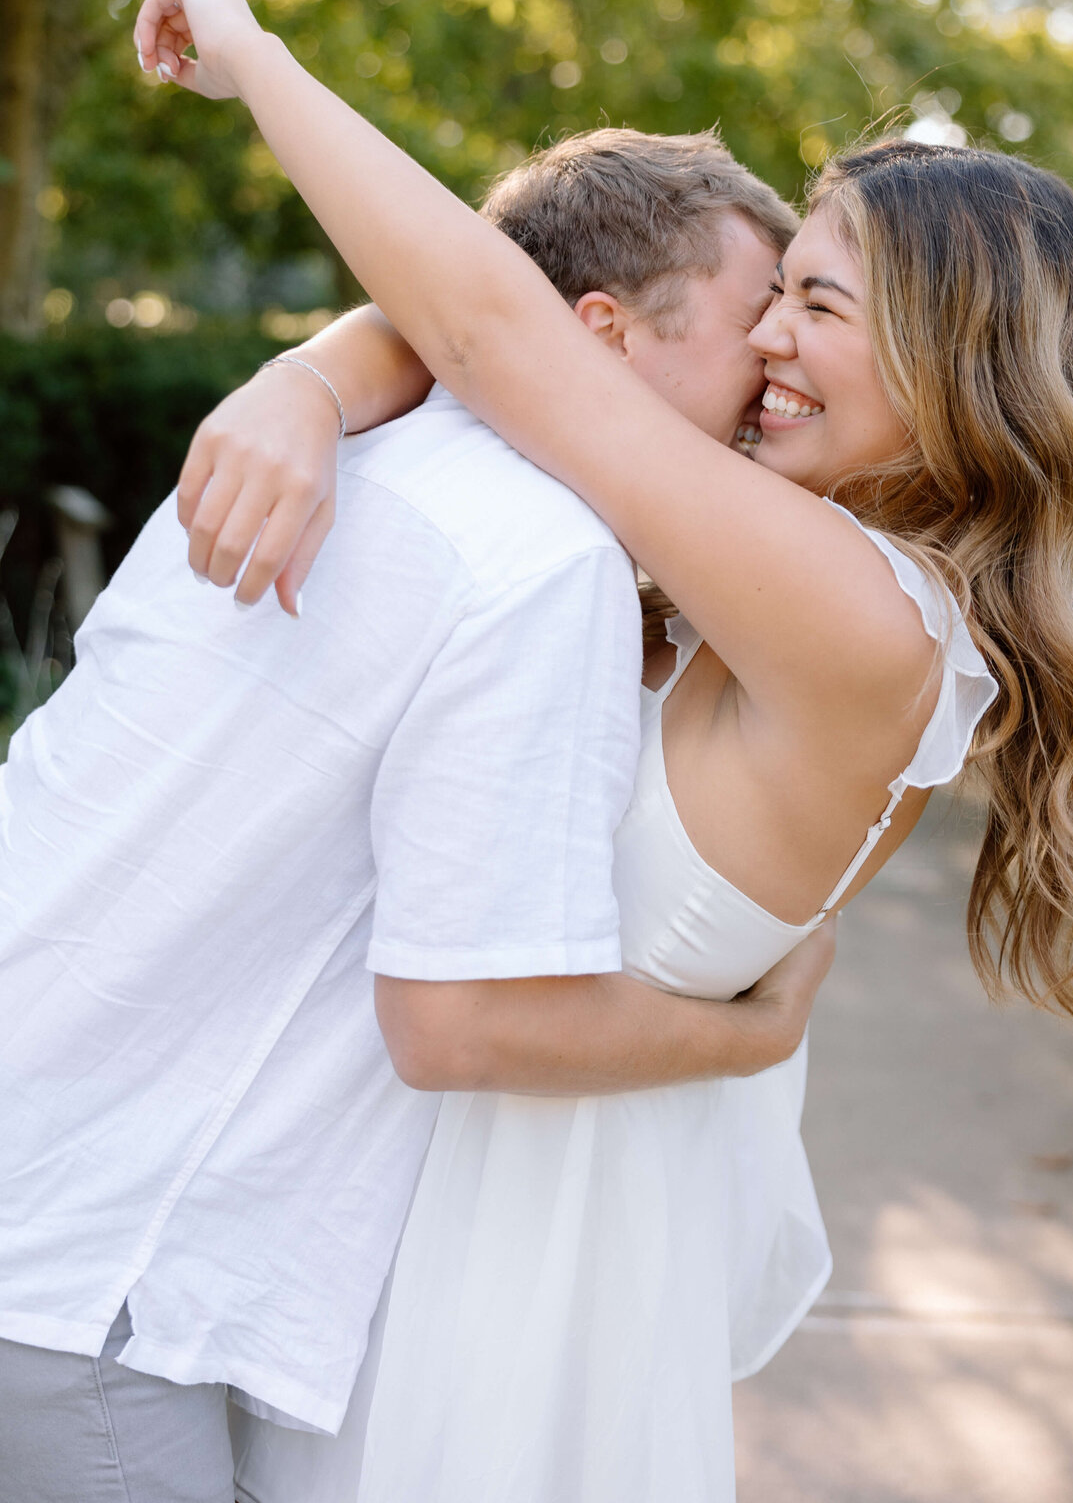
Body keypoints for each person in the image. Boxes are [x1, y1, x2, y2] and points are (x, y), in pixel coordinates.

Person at [136, 0, 1073, 1503]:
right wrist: (314, 377)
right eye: (771, 299)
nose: (763, 343)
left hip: (503, 1279)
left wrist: (255, 53)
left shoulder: (867, 622)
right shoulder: (782, 576)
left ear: (963, 367)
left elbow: (506, 333)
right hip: (448, 1207)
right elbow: (544, 324)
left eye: (816, 305)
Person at [0, 132, 835, 1500]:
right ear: (602, 333)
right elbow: (465, 1020)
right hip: (92, 1278)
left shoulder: (329, 447)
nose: (778, 372)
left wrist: (322, 369)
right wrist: (754, 1034)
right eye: (760, 323)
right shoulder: (541, 559)